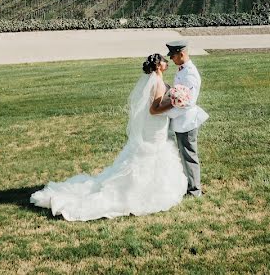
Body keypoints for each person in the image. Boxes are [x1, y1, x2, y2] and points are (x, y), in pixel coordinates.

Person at [30, 54, 187, 221]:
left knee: (145, 154)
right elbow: (154, 109)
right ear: (157, 66)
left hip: (153, 126)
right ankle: (145, 192)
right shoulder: (157, 82)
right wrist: (173, 103)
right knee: (151, 154)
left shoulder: (151, 80)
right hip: (155, 126)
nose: (166, 62)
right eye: (164, 60)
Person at [150, 40, 208, 197]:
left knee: (189, 155)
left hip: (186, 121)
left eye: (173, 56)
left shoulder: (190, 73)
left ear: (181, 54)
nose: (172, 59)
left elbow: (187, 102)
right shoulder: (182, 69)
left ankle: (195, 190)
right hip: (180, 120)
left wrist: (166, 111)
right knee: (183, 154)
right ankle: (188, 184)